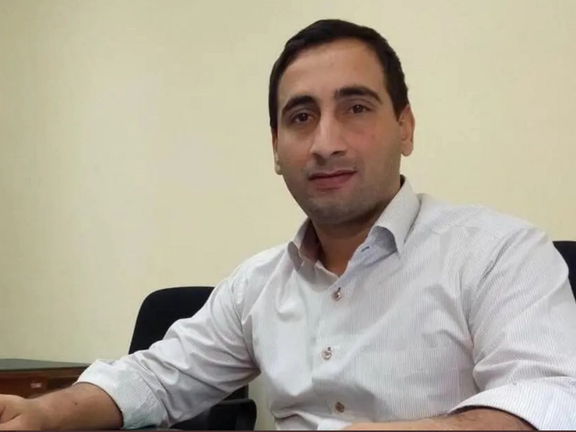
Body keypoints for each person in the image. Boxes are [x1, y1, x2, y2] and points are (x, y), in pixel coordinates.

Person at [1, 18, 575, 431]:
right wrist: (39, 414)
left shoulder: (498, 253)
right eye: (301, 117)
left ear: (405, 126)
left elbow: (553, 396)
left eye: (356, 107)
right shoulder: (258, 285)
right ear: (277, 148)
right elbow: (158, 377)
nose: (325, 143)